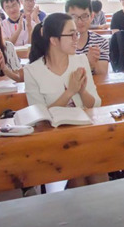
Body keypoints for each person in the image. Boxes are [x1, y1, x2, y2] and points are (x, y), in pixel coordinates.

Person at [25, 13, 104, 188]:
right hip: (54, 138)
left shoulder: (80, 60)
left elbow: (96, 103)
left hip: (84, 133)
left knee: (96, 171)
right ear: (54, 40)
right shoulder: (32, 70)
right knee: (80, 176)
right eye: (71, 34)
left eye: (77, 33)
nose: (77, 38)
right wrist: (70, 92)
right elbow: (39, 116)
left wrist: (82, 91)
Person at [65, 0, 110, 75]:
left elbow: (103, 74)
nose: (79, 21)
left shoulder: (101, 42)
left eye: (84, 16)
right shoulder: (60, 42)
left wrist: (94, 63)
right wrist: (87, 62)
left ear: (92, 16)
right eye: (74, 17)